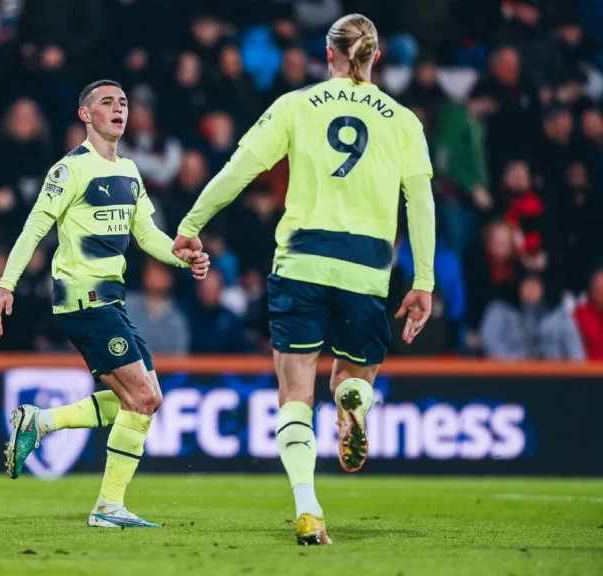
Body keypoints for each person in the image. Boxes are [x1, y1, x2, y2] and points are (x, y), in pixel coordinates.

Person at [173, 14, 436, 545]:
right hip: (366, 268)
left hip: (300, 262)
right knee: (353, 380)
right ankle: (354, 399)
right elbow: (422, 202)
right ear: (377, 58)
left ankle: (309, 507)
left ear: (328, 52)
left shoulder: (295, 105)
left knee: (295, 390)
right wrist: (424, 280)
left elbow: (237, 170)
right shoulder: (404, 120)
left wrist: (189, 225)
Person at [0, 80, 210, 528]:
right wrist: (6, 284)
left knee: (146, 399)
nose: (118, 108)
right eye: (106, 102)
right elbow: (33, 229)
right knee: (143, 397)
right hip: (81, 298)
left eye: (124, 102)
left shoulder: (129, 171)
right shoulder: (69, 170)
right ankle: (108, 508)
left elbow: (147, 236)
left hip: (112, 300)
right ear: (85, 115)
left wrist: (183, 258)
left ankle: (41, 422)